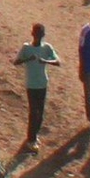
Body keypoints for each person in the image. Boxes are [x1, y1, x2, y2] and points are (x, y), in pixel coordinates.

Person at [15, 22, 57, 152]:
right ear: (32, 34)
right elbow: (16, 61)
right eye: (36, 34)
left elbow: (57, 61)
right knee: (34, 112)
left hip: (42, 83)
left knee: (40, 113)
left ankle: (34, 135)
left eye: (39, 34)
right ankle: (31, 139)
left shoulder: (47, 48)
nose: (37, 36)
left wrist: (46, 61)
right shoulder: (26, 48)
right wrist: (27, 59)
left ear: (42, 35)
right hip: (31, 84)